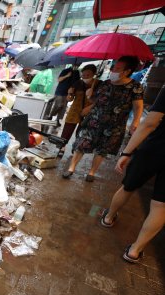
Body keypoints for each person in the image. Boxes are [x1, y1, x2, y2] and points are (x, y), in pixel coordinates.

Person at [99, 87, 165, 263]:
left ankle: (108, 217)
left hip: (155, 148)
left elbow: (150, 122)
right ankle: (135, 251)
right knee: (161, 206)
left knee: (128, 187)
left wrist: (127, 153)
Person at [62, 56, 144, 182]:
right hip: (94, 120)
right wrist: (89, 99)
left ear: (127, 71)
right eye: (113, 67)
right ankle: (71, 168)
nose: (113, 70)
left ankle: (92, 172)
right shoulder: (105, 83)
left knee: (102, 150)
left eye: (117, 68)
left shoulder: (135, 87)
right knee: (82, 143)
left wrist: (136, 121)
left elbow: (138, 106)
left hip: (114, 125)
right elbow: (96, 101)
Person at [59, 64, 99, 155]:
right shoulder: (78, 83)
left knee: (82, 132)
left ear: (94, 74)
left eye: (88, 75)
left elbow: (100, 100)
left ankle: (76, 148)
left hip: (89, 112)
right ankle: (61, 147)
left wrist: (90, 106)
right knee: (67, 130)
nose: (85, 77)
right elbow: (69, 99)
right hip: (75, 110)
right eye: (83, 75)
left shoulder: (99, 84)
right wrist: (69, 94)